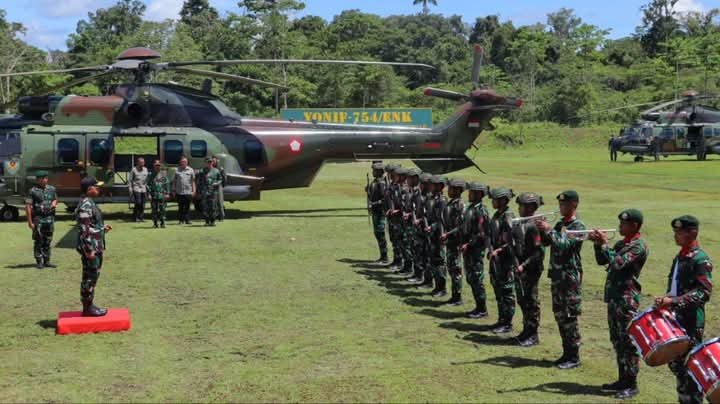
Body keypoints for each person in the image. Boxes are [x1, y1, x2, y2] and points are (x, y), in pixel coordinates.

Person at [590, 209, 648, 400]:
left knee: (628, 343)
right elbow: (602, 261)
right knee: (617, 340)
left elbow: (618, 263)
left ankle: (632, 384)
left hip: (626, 300)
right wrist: (598, 246)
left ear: (634, 226)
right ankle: (622, 379)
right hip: (615, 298)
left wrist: (605, 244)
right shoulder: (622, 243)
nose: (620, 226)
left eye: (624, 224)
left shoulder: (638, 246)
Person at [655, 215, 713, 404]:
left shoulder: (700, 259)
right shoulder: (680, 257)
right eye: (675, 231)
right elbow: (674, 289)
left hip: (690, 323)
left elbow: (704, 293)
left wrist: (673, 302)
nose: (676, 235)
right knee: (679, 371)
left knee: (690, 374)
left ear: (693, 232)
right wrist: (665, 302)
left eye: (680, 232)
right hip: (675, 320)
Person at [537, 190, 586, 369]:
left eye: (565, 204)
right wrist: (542, 230)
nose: (561, 207)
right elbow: (547, 243)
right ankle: (566, 353)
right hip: (557, 276)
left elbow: (565, 245)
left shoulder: (579, 226)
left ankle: (574, 356)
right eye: (560, 204)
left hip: (569, 278)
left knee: (569, 316)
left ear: (574, 205)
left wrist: (549, 230)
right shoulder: (560, 224)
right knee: (559, 315)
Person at [75, 176, 112, 317]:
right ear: (89, 189)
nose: (99, 188)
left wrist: (102, 228)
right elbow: (84, 230)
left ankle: (89, 305)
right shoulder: (86, 205)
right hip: (91, 248)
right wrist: (89, 250)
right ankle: (88, 308)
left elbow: (90, 226)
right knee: (90, 277)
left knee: (92, 276)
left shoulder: (89, 203)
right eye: (96, 186)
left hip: (95, 245)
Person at [512, 192, 545, 346]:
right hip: (520, 268)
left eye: (523, 205)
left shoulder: (535, 225)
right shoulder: (520, 223)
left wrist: (523, 265)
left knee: (531, 301)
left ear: (532, 207)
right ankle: (526, 330)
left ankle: (533, 334)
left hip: (531, 269)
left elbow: (538, 252)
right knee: (523, 300)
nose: (520, 208)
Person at [488, 187, 517, 333]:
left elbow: (513, 240)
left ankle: (507, 322)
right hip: (495, 259)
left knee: (506, 292)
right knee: (498, 290)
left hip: (505, 260)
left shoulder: (508, 216)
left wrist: (499, 250)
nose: (492, 201)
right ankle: (501, 319)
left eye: (495, 199)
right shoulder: (496, 215)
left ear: (503, 200)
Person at [460, 182, 491, 319]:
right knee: (471, 278)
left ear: (479, 194)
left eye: (472, 192)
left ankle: (482, 308)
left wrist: (469, 244)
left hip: (475, 249)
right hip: (468, 249)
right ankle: (478, 307)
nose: (469, 194)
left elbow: (482, 233)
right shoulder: (470, 208)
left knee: (477, 279)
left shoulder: (481, 210)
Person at [440, 179, 466, 306]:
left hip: (455, 242)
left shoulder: (460, 205)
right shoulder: (451, 203)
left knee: (455, 270)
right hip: (450, 241)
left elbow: (461, 226)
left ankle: (457, 297)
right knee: (451, 268)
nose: (448, 190)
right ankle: (454, 295)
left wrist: (448, 234)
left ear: (457, 190)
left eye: (450, 188)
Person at [25, 170, 57, 268]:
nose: (45, 180)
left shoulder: (52, 189)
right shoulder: (32, 191)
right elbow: (28, 206)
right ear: (38, 180)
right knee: (39, 240)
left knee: (48, 240)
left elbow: (55, 199)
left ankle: (47, 261)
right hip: (38, 219)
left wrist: (54, 203)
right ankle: (39, 261)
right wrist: (30, 222)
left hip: (49, 219)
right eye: (42, 178)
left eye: (46, 178)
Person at [426, 175, 447, 297]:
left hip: (439, 236)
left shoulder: (441, 201)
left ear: (439, 187)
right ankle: (437, 286)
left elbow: (441, 220)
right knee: (433, 261)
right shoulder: (432, 198)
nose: (430, 186)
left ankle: (442, 288)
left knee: (439, 263)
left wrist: (432, 227)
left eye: (433, 185)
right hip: (432, 236)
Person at [367, 162, 389, 263]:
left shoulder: (382, 183)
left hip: (380, 212)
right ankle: (382, 256)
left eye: (374, 170)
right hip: (375, 211)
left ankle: (384, 257)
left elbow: (384, 199)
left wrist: (374, 204)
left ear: (380, 172)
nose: (373, 172)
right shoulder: (375, 182)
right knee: (377, 233)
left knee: (380, 233)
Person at [400, 168, 420, 275]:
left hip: (417, 226)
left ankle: (418, 273)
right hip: (409, 224)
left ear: (416, 179)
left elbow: (419, 210)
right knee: (410, 247)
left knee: (417, 251)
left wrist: (410, 215)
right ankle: (410, 269)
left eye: (409, 178)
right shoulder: (410, 191)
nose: (407, 180)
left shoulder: (419, 193)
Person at [384, 163, 403, 269]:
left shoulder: (401, 187)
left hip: (399, 219)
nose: (390, 176)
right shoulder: (391, 185)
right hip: (392, 218)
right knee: (394, 240)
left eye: (392, 173)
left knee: (399, 241)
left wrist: (396, 211)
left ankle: (400, 262)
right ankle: (396, 260)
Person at [198, 157, 223, 226]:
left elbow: (220, 179)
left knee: (213, 206)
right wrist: (199, 191)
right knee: (205, 207)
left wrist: (216, 183)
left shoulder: (216, 171)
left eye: (210, 162)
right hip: (205, 191)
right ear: (205, 163)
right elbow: (199, 182)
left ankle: (213, 221)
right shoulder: (202, 171)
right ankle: (207, 221)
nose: (209, 163)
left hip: (213, 192)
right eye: (207, 162)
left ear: (212, 162)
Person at [147, 160, 171, 228]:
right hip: (153, 195)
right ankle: (155, 223)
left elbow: (167, 184)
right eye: (156, 165)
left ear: (160, 166)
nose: (157, 167)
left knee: (162, 209)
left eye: (159, 165)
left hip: (162, 195)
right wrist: (148, 194)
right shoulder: (150, 175)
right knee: (154, 210)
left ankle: (163, 223)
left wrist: (167, 193)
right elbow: (148, 185)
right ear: (154, 166)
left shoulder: (163, 174)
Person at [173, 157, 196, 225]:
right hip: (179, 192)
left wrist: (194, 190)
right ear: (180, 162)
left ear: (187, 162)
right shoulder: (177, 170)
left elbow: (193, 181)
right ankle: (181, 220)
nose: (183, 162)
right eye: (182, 161)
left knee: (187, 207)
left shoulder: (191, 170)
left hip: (188, 191)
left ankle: (187, 220)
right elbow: (174, 181)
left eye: (185, 161)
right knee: (180, 207)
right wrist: (173, 190)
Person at [128, 157, 148, 222]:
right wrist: (130, 188)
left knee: (143, 204)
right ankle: (135, 216)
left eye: (143, 162)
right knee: (138, 202)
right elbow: (130, 180)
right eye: (141, 162)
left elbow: (147, 180)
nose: (143, 164)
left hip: (143, 188)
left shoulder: (145, 169)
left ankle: (141, 217)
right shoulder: (134, 170)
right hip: (136, 188)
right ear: (138, 163)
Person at [212, 156, 227, 221]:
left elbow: (224, 179)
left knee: (220, 202)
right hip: (211, 187)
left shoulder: (220, 169)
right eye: (212, 161)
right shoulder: (210, 168)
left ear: (217, 161)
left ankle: (221, 216)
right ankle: (215, 216)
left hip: (219, 186)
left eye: (214, 161)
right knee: (213, 202)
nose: (213, 162)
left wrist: (221, 186)